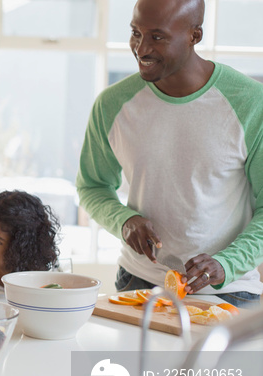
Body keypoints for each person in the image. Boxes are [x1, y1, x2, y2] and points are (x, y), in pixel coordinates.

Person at [76, 0, 263, 307]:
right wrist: (125, 221)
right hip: (137, 283)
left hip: (228, 291)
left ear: (195, 35)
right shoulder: (111, 105)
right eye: (136, 32)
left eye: (157, 37)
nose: (141, 49)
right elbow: (92, 186)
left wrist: (226, 263)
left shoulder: (251, 103)